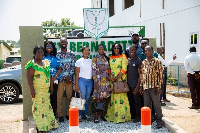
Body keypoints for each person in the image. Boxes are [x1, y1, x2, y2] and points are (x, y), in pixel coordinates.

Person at [26, 46, 58, 132]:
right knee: (39, 108)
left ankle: (50, 124)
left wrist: (51, 86)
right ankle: (41, 127)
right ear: (34, 53)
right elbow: (29, 77)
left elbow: (49, 75)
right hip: (37, 90)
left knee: (47, 107)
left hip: (45, 90)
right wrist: (32, 90)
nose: (40, 54)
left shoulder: (46, 62)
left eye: (42, 52)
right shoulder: (32, 64)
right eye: (38, 52)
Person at [105, 43, 131, 123]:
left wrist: (116, 78)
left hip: (120, 81)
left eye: (118, 48)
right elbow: (109, 69)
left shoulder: (123, 57)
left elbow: (124, 70)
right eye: (114, 48)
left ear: (120, 49)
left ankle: (122, 117)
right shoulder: (111, 57)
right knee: (113, 99)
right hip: (112, 82)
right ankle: (113, 117)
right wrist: (110, 77)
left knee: (121, 98)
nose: (116, 49)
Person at [140, 45, 163, 129]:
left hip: (154, 87)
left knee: (156, 105)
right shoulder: (144, 62)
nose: (147, 52)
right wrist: (141, 86)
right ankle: (148, 121)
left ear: (152, 51)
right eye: (145, 51)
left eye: (149, 50)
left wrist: (159, 86)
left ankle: (159, 120)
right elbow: (142, 75)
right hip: (146, 87)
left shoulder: (157, 61)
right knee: (147, 105)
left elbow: (160, 75)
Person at [56, 37, 76, 122]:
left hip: (69, 80)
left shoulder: (71, 54)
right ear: (60, 43)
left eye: (65, 42)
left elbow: (73, 66)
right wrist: (64, 77)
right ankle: (60, 115)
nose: (63, 43)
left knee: (69, 97)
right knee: (59, 98)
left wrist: (69, 76)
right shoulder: (57, 54)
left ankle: (68, 114)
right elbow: (58, 67)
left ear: (67, 43)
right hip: (61, 80)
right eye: (62, 42)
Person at [91, 44, 110, 123]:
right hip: (98, 81)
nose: (101, 50)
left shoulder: (106, 58)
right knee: (98, 99)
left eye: (102, 49)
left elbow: (109, 69)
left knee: (105, 98)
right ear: (98, 50)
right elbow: (93, 70)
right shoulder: (95, 58)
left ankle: (103, 115)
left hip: (105, 81)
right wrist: (95, 81)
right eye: (100, 49)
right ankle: (96, 116)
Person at [75, 46, 93, 121]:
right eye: (85, 50)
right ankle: (79, 115)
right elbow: (76, 74)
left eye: (88, 50)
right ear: (82, 52)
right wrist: (76, 84)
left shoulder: (91, 61)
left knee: (87, 98)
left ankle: (85, 114)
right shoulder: (79, 61)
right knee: (81, 98)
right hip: (82, 81)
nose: (86, 52)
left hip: (90, 81)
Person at [43, 41, 61, 117]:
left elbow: (60, 68)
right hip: (45, 81)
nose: (49, 47)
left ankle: (53, 117)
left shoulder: (56, 57)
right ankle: (46, 116)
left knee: (54, 99)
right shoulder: (43, 57)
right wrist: (51, 81)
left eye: (51, 46)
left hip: (55, 80)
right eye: (47, 46)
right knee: (46, 100)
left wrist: (55, 77)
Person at [127, 45, 142, 122]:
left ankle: (138, 117)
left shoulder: (138, 61)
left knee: (137, 102)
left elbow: (140, 75)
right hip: (128, 85)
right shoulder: (128, 60)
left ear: (136, 50)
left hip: (135, 85)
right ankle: (133, 116)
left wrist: (137, 87)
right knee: (131, 101)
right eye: (130, 50)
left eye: (133, 50)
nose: (131, 51)